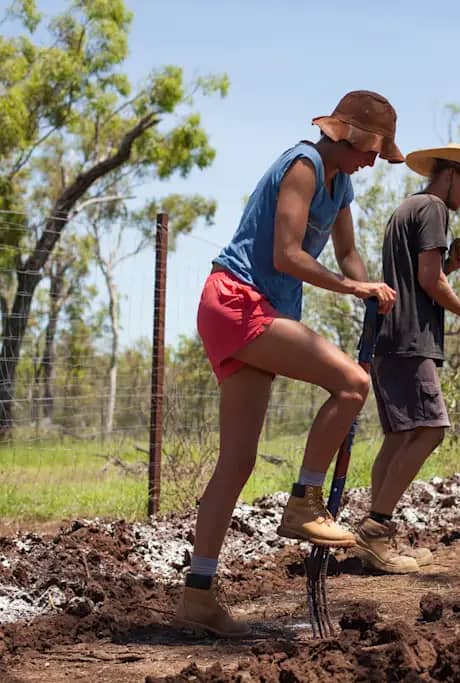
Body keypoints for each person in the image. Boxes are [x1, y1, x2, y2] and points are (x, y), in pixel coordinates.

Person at [175, 91, 403, 635]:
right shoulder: (303, 165)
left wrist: (368, 285)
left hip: (250, 308)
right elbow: (286, 254)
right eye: (372, 149)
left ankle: (197, 594)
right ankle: (304, 501)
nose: (373, 160)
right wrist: (352, 287)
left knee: (237, 462)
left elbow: (347, 253)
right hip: (237, 301)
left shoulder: (340, 182)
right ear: (348, 135)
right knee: (352, 382)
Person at [351, 144, 460, 573]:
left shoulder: (410, 208)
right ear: (451, 173)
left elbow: (424, 277)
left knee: (400, 436)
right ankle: (375, 531)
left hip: (388, 335)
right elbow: (428, 279)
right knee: (432, 429)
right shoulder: (434, 207)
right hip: (409, 337)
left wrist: (451, 265)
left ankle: (373, 535)